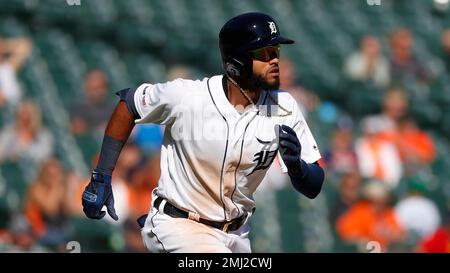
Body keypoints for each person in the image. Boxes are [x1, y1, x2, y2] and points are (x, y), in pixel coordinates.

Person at [81, 12, 325, 253]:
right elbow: (129, 104)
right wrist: (102, 175)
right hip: (180, 225)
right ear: (236, 62)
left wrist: (297, 169)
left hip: (237, 234)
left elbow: (314, 185)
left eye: (276, 52)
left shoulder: (284, 106)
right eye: (264, 53)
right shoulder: (188, 97)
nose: (275, 60)